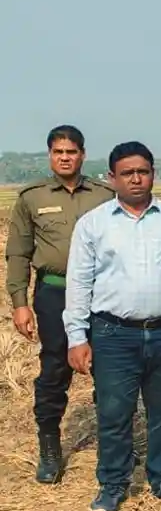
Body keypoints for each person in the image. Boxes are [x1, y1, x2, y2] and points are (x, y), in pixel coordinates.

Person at [63, 142, 161, 511]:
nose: (135, 178)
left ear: (153, 174)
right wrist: (77, 336)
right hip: (113, 334)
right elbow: (79, 283)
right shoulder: (94, 224)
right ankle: (113, 485)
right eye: (126, 172)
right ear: (112, 177)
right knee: (114, 412)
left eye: (142, 171)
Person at [5, 125, 114, 484]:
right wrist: (20, 302)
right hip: (54, 293)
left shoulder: (104, 195)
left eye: (71, 151)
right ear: (50, 155)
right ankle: (50, 446)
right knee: (55, 368)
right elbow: (18, 253)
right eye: (58, 152)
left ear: (82, 154)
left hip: (101, 294)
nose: (65, 157)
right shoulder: (31, 198)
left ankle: (113, 447)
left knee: (108, 368)